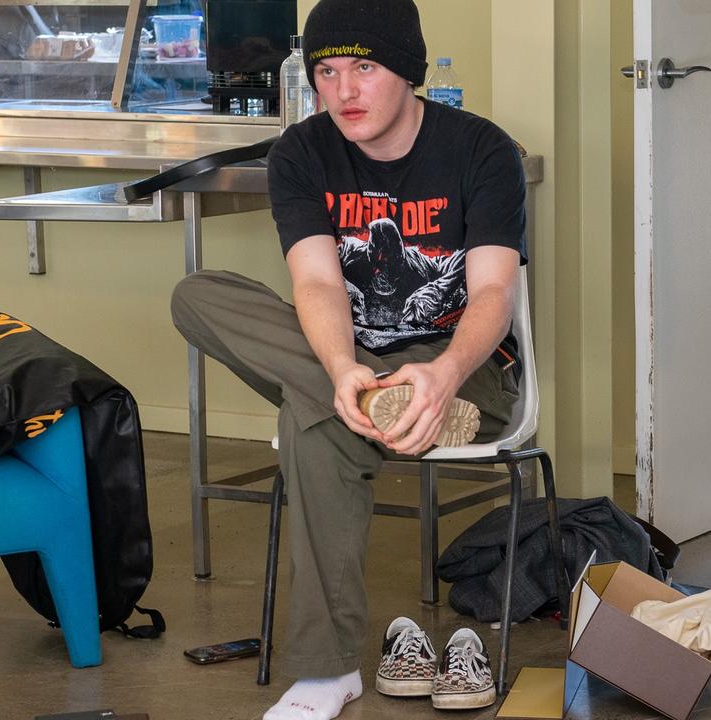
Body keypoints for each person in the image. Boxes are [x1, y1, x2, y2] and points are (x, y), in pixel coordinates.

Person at [170, 1, 527, 718]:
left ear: (408, 71)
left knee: (316, 428)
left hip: (459, 367)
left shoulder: (482, 149)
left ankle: (329, 671)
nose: (344, 92)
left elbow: (492, 290)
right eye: (326, 72)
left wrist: (445, 372)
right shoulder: (303, 152)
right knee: (197, 296)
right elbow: (318, 282)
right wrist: (340, 371)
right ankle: (368, 404)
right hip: (346, 358)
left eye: (365, 68)